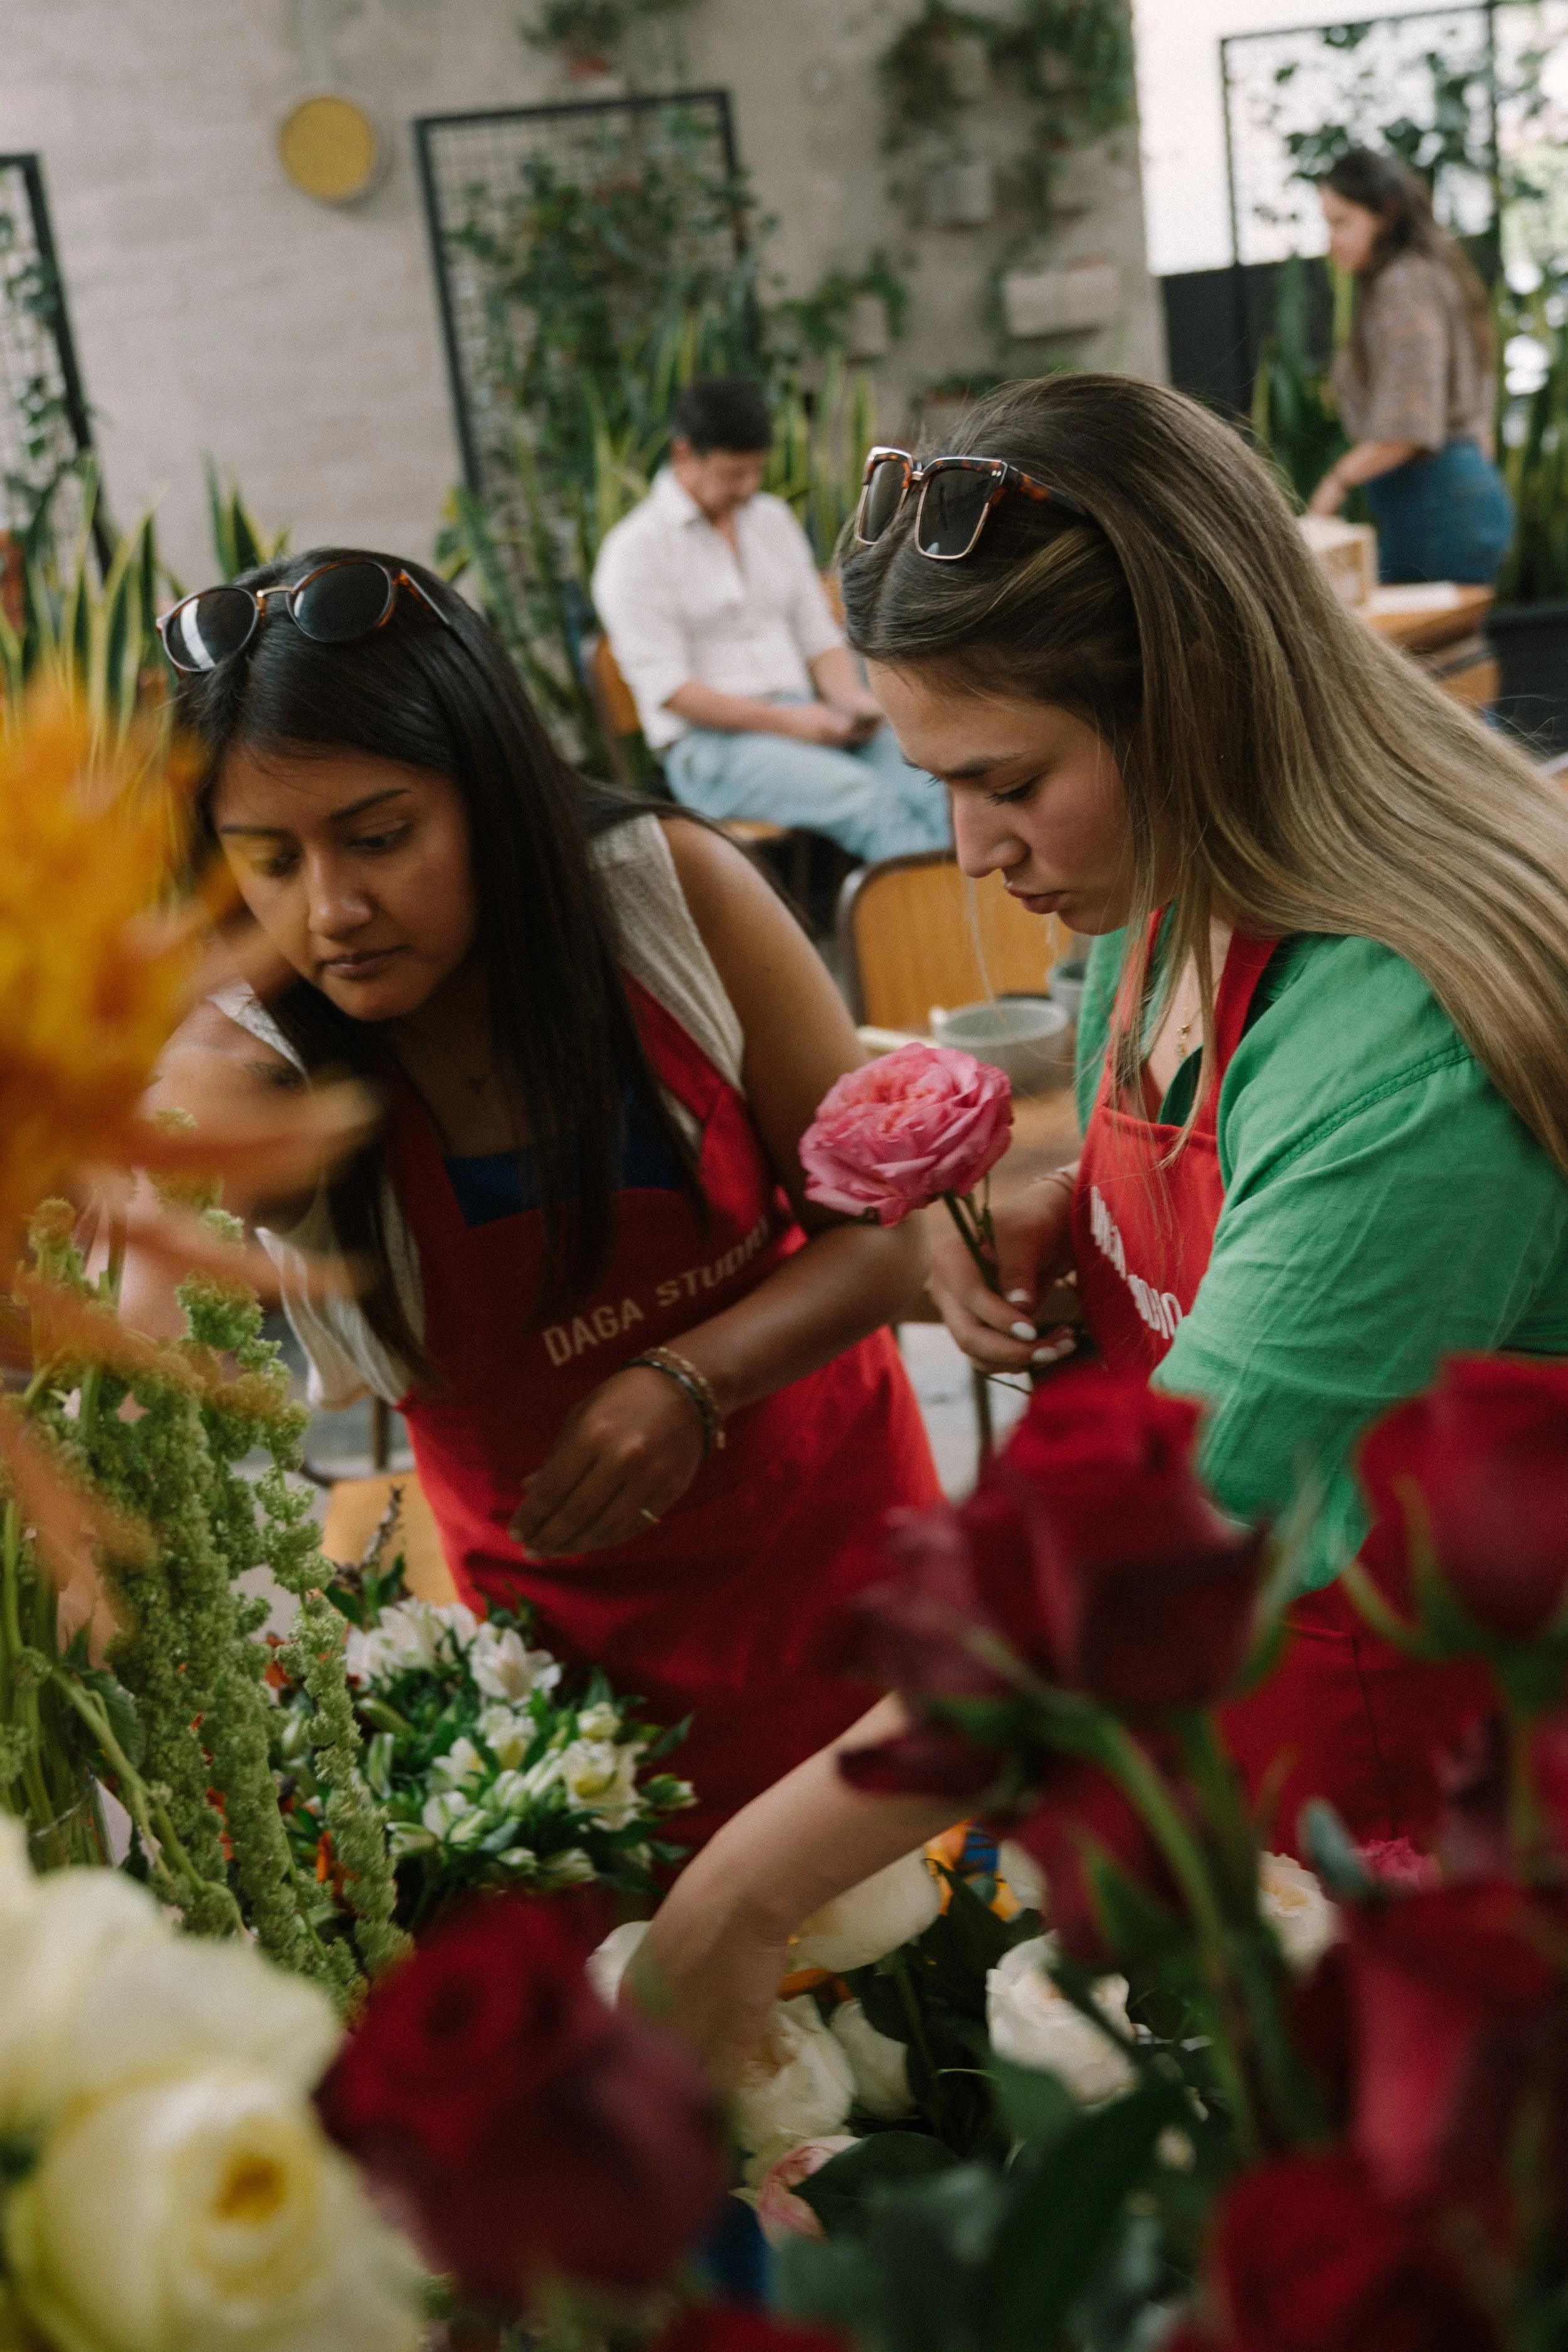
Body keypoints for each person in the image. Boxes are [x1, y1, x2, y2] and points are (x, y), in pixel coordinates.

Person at [635, 371, 1568, 2067]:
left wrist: (736, 1900)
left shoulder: (1402, 1051)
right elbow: (1211, 1169)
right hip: (1247, 1752)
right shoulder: (1164, 884)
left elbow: (1142, 1563)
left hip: (1433, 1816)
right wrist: (1058, 1218)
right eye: (934, 779)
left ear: (1196, 703)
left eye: (1003, 779)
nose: (969, 847)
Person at [131, 548, 943, 1853]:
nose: (331, 910)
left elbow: (888, 1239)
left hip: (847, 1571)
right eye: (266, 862)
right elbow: (140, 1311)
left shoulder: (667, 895)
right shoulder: (257, 1054)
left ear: (492, 798)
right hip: (566, 1681)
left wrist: (689, 1379)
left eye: (381, 837)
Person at [591, 376, 951, 865]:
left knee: (936, 783)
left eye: (756, 470)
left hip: (810, 718)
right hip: (713, 749)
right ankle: (933, 938)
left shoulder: (772, 520)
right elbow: (673, 690)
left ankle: (986, 932)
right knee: (872, 805)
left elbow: (818, 636)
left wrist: (851, 702)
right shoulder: (633, 552)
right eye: (733, 473)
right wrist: (793, 724)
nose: (749, 487)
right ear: (683, 455)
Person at [1308, 146, 1513, 584]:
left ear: (1384, 214)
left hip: (1436, 504)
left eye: (1342, 222)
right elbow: (1480, 402)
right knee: (1452, 650)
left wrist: (1335, 484)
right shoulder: (1434, 273)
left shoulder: (1402, 286)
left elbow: (1408, 425)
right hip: (1462, 495)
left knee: (1410, 650)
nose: (1332, 239)